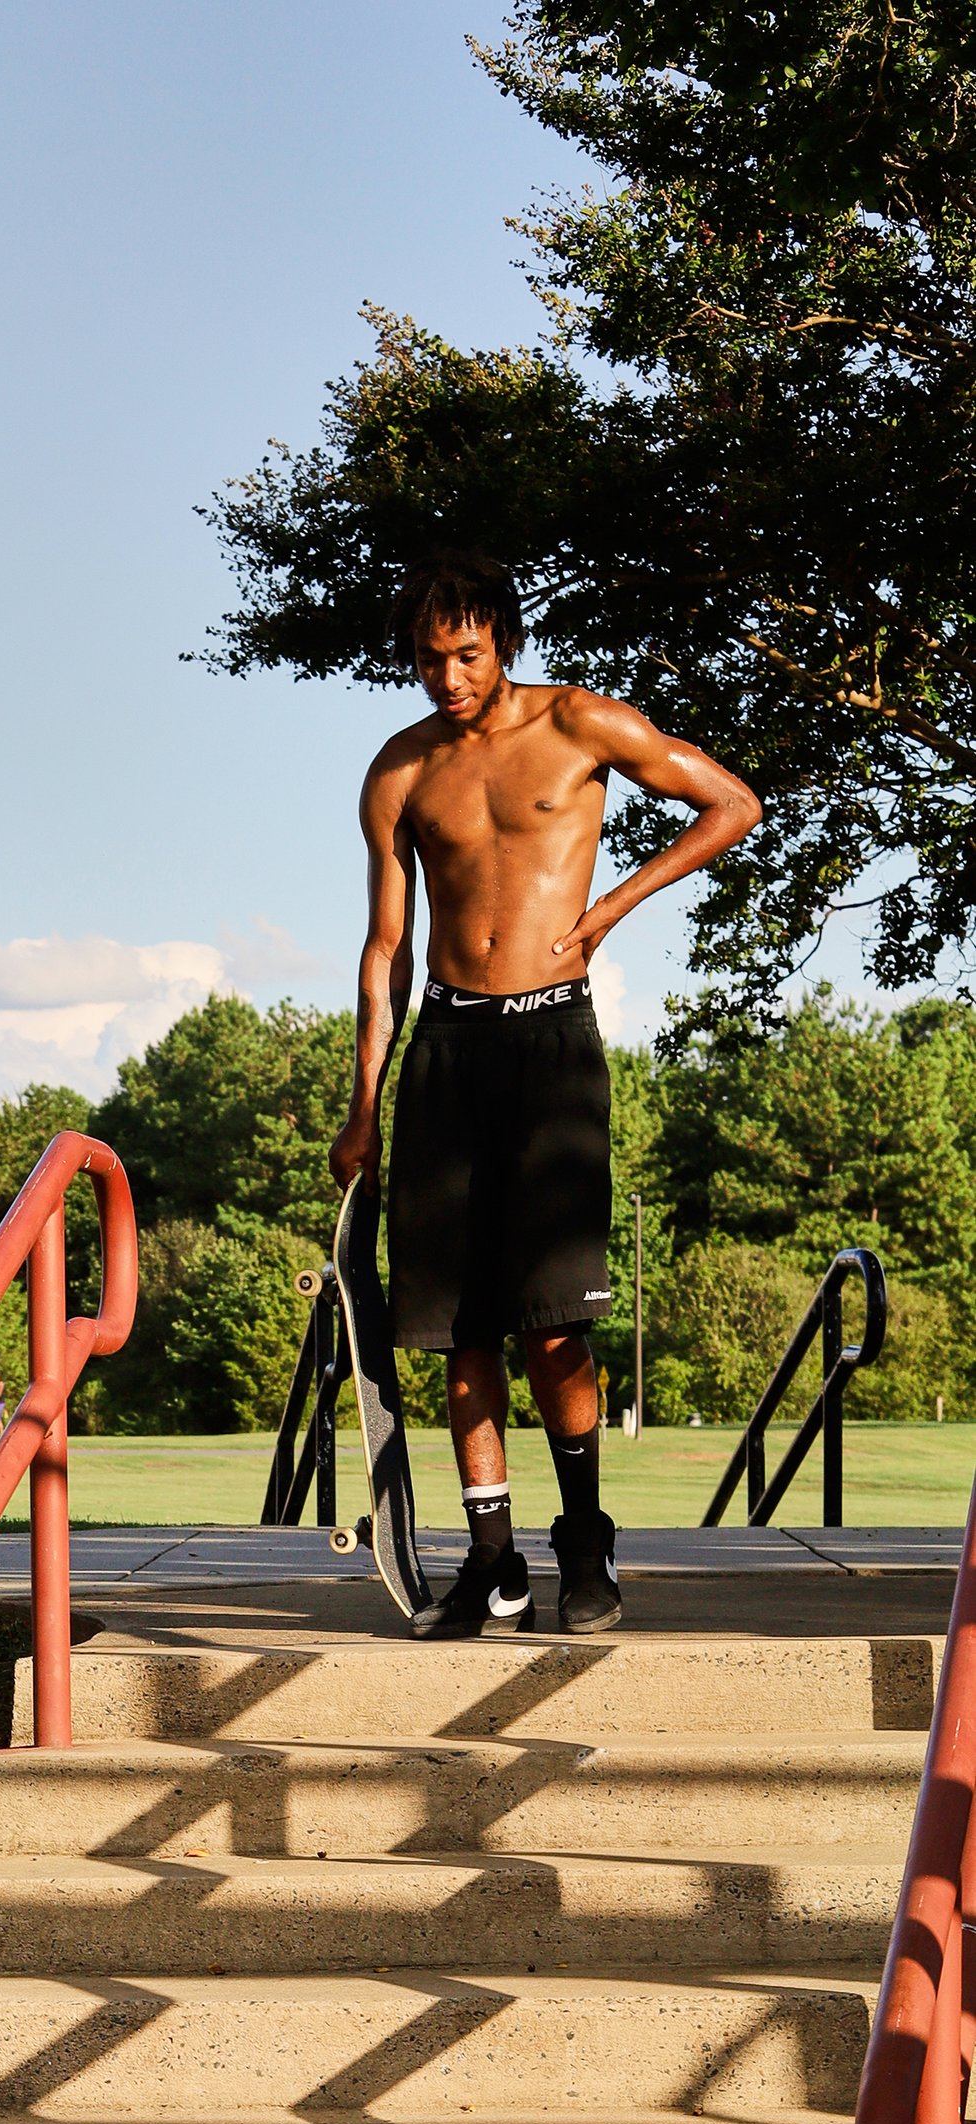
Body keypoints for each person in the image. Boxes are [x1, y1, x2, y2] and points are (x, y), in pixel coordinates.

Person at [329, 552, 759, 1640]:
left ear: (501, 643)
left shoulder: (580, 726)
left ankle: (582, 1539)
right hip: (445, 1049)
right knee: (456, 1326)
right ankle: (490, 1559)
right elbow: (385, 949)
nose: (447, 678)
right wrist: (363, 1107)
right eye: (428, 661)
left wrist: (614, 903)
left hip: (550, 1045)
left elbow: (729, 803)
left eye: (465, 655)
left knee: (552, 1323)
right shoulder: (398, 770)